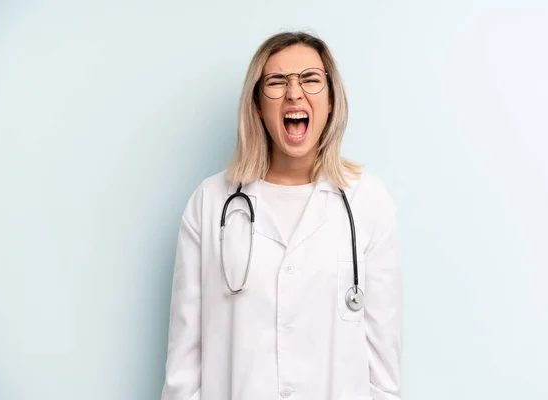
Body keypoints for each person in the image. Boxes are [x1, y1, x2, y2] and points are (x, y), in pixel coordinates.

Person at [161, 31, 402, 400]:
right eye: (276, 81)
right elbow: (184, 364)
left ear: (332, 100)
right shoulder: (209, 203)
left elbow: (383, 369)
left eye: (310, 79)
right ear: (257, 104)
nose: (294, 92)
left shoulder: (368, 201)